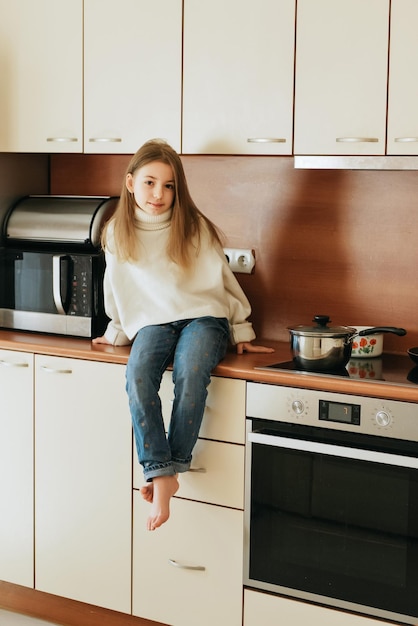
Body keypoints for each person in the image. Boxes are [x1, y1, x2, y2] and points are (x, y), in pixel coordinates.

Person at [93, 139, 273, 531]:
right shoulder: (116, 233)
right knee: (138, 376)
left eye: (169, 185)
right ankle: (164, 474)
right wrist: (116, 331)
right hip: (152, 322)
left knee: (192, 371)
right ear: (130, 183)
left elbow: (223, 282)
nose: (159, 194)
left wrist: (241, 328)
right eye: (150, 182)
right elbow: (118, 289)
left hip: (203, 318)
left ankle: (165, 471)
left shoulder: (194, 226)